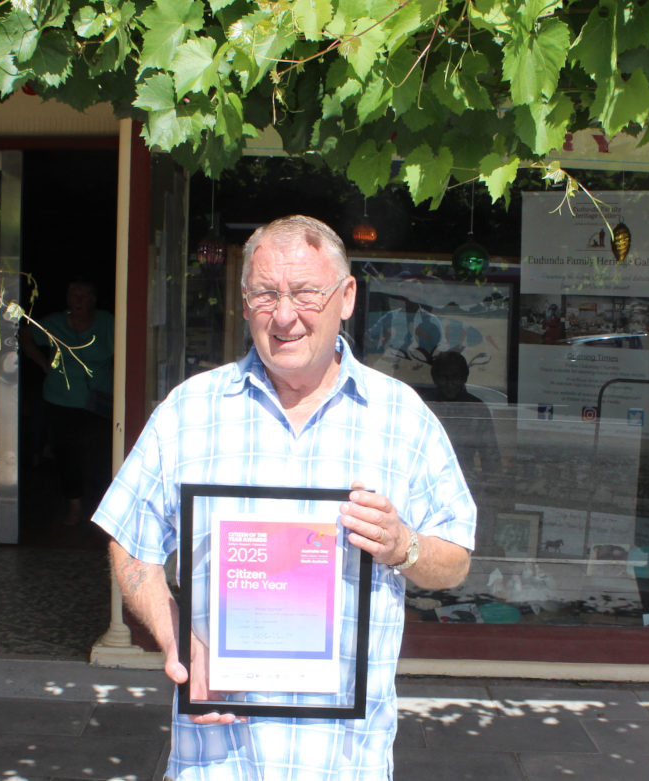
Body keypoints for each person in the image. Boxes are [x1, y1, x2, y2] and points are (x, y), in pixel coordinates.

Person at [92, 215, 476, 780]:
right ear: (244, 303)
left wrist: (404, 547)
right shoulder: (189, 411)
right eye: (266, 294)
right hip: (216, 761)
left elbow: (457, 560)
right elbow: (131, 542)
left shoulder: (403, 419)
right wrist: (176, 639)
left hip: (347, 760)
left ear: (346, 297)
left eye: (305, 293)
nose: (285, 315)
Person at [20, 279, 114, 526]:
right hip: (60, 399)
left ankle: (102, 510)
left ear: (94, 300)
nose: (79, 300)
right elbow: (26, 337)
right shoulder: (54, 323)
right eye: (74, 295)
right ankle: (74, 506)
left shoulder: (107, 323)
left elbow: (127, 347)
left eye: (85, 295)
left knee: (98, 455)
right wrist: (44, 365)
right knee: (67, 453)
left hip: (99, 401)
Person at [422, 351, 501, 478]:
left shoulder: (477, 409)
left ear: (464, 378)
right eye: (444, 378)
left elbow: (490, 457)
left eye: (455, 377)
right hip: (427, 479)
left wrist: (492, 487)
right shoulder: (425, 406)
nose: (450, 383)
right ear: (435, 379)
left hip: (465, 479)